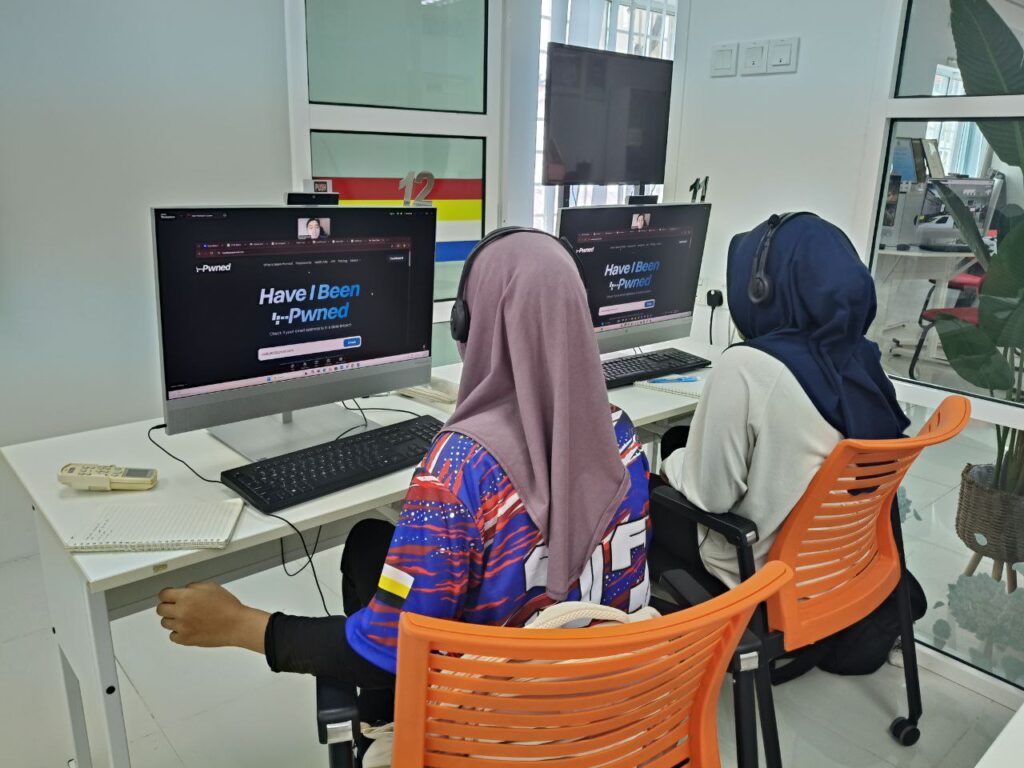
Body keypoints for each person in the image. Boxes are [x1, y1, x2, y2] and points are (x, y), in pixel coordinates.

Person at [155, 231, 651, 725]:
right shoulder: (620, 434)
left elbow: (381, 655)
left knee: (379, 572)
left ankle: (385, 729)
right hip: (611, 711)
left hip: (500, 730)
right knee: (370, 541)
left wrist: (239, 623)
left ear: (469, 323)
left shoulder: (459, 471)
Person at [652, 213, 909, 590]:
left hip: (754, 568)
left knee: (646, 487)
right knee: (681, 438)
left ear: (762, 289)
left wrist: (671, 464)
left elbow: (711, 497)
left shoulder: (747, 366)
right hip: (841, 567)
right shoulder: (864, 361)